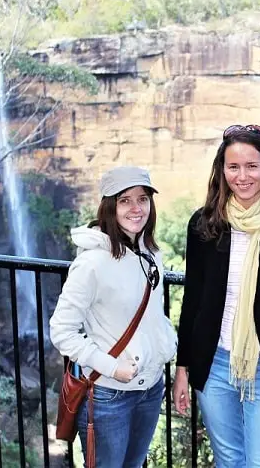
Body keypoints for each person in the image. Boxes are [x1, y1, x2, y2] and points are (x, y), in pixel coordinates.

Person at [173, 124, 260, 468]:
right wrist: (182, 367)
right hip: (215, 363)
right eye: (233, 166)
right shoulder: (205, 224)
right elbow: (192, 301)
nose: (242, 176)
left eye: (252, 166)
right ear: (222, 170)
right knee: (228, 458)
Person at [49, 166, 177, 468]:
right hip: (110, 393)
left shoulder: (149, 252)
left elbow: (152, 316)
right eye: (125, 200)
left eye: (143, 199)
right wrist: (111, 366)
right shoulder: (92, 263)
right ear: (109, 206)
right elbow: (61, 330)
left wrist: (167, 345)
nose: (136, 208)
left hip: (150, 386)